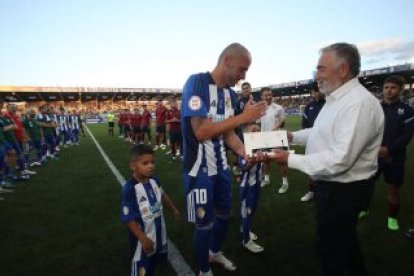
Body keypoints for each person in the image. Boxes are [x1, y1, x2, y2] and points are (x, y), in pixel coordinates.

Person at [273, 42, 384, 275]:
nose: (316, 76)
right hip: (333, 188)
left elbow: (341, 159)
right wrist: (292, 136)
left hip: (344, 191)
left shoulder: (358, 103)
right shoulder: (336, 99)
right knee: (346, 244)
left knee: (331, 249)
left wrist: (289, 159)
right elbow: (320, 133)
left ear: (342, 70)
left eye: (321, 68)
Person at [181, 42, 266, 276]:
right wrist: (242, 118)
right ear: (226, 61)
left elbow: (228, 134)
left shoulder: (229, 94)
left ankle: (214, 252)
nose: (243, 77)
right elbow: (200, 131)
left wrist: (246, 153)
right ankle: (203, 269)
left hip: (220, 168)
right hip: (198, 171)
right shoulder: (196, 83)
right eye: (241, 69)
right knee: (204, 224)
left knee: (224, 215)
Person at [360, 75, 413, 230]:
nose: (389, 91)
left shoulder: (408, 111)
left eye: (393, 88)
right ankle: (364, 209)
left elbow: (406, 135)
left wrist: (388, 149)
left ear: (401, 90)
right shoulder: (375, 108)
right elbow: (366, 130)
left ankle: (392, 218)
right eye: (386, 88)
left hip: (395, 158)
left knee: (393, 189)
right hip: (373, 156)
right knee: (367, 185)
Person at [120, 144, 180, 276]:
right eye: (145, 163)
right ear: (133, 166)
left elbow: (163, 195)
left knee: (153, 264)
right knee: (142, 266)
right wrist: (142, 238)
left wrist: (173, 209)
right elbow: (128, 219)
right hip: (142, 239)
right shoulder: (130, 189)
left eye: (152, 162)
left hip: (158, 233)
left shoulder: (154, 180)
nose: (151, 166)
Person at [238, 123, 265, 254]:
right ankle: (246, 241)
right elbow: (243, 167)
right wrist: (253, 161)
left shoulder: (258, 147)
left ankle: (244, 228)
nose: (257, 133)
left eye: (259, 131)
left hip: (256, 184)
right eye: (254, 131)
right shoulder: (244, 149)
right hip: (247, 187)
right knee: (247, 212)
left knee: (252, 210)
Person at [259, 87, 289, 193]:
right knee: (265, 159)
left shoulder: (278, 108)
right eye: (266, 95)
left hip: (276, 138)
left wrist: (277, 126)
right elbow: (258, 123)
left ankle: (285, 183)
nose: (268, 97)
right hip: (264, 138)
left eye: (269, 95)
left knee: (280, 161)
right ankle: (266, 179)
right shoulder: (260, 109)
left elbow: (283, 119)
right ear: (262, 97)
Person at [300, 86, 325, 202]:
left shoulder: (329, 104)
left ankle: (323, 192)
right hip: (311, 141)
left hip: (326, 142)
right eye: (314, 91)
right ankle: (311, 192)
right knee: (310, 168)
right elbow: (304, 125)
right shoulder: (308, 106)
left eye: (318, 90)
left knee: (325, 168)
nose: (316, 93)